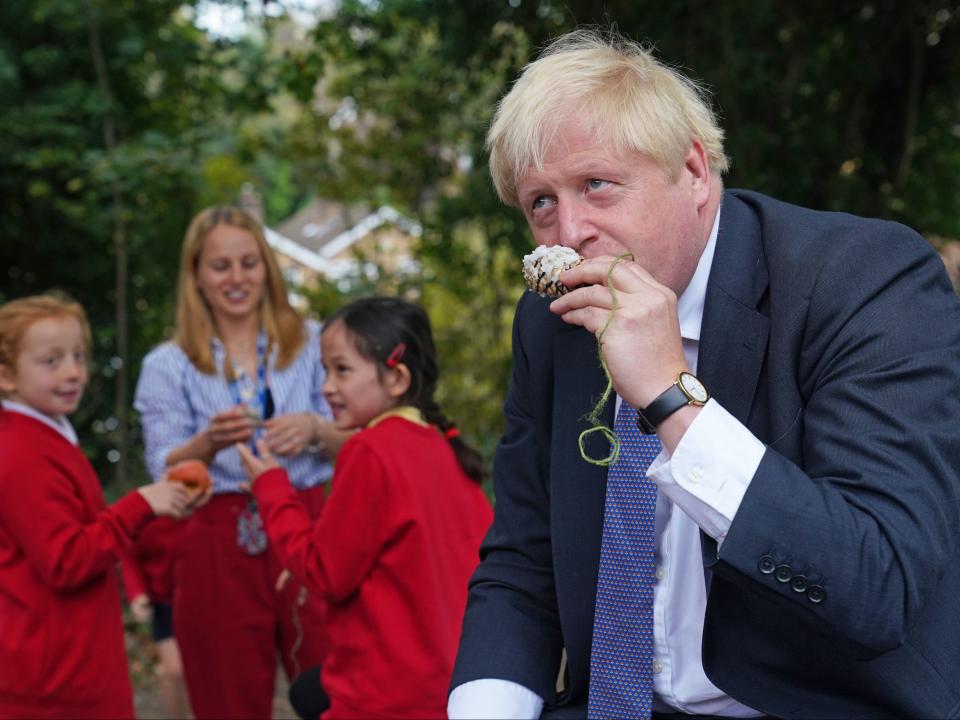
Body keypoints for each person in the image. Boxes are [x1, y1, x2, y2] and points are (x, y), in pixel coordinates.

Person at [448, 28, 960, 719]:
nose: (569, 233)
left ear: (693, 171)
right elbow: (522, 561)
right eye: (542, 203)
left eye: (596, 185)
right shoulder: (552, 322)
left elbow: (877, 583)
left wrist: (670, 398)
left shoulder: (863, 279)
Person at [134, 205, 352, 719]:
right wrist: (204, 444)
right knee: (226, 699)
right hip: (215, 535)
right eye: (220, 265)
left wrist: (317, 431)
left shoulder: (317, 341)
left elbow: (364, 442)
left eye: (248, 263)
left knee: (337, 688)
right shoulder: (167, 364)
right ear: (196, 276)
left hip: (311, 522)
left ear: (267, 269)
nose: (237, 278)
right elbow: (161, 466)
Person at [237, 296, 494, 719]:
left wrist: (270, 487)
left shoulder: (370, 450)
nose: (326, 387)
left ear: (396, 379)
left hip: (387, 692)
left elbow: (325, 573)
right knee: (307, 690)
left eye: (342, 369)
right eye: (325, 369)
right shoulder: (441, 446)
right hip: (450, 681)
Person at [0, 294, 203, 720]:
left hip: (73, 662)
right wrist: (139, 505)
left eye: (79, 356)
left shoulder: (49, 434)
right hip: (55, 681)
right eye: (51, 361)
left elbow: (90, 529)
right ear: (6, 375)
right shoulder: (22, 454)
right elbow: (66, 559)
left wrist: (154, 504)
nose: (73, 372)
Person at [120, 516, 192, 719]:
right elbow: (131, 556)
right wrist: (137, 594)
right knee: (175, 671)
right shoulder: (149, 516)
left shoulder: (205, 509)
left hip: (202, 601)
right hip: (164, 602)